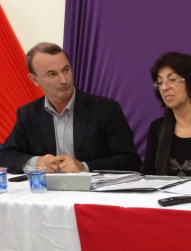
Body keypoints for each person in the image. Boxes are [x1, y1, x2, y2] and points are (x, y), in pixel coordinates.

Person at [0, 42, 140, 174]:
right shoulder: (28, 114)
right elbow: (5, 155)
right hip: (46, 190)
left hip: (91, 189)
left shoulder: (106, 109)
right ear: (34, 80)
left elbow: (130, 161)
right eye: (52, 74)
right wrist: (36, 162)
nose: (64, 80)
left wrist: (84, 167)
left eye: (66, 70)